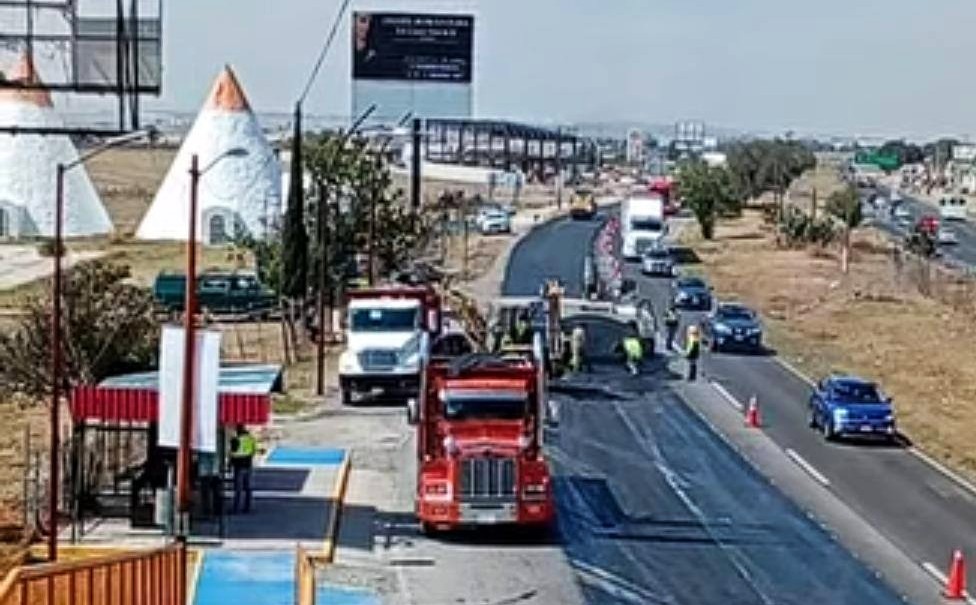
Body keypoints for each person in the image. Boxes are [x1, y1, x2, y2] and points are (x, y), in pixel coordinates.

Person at [229, 425, 257, 514]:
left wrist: (229, 465)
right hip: (248, 465)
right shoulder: (250, 439)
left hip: (239, 467)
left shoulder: (235, 440)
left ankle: (236, 508)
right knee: (248, 487)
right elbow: (253, 451)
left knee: (238, 489)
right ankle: (247, 507)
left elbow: (232, 454)